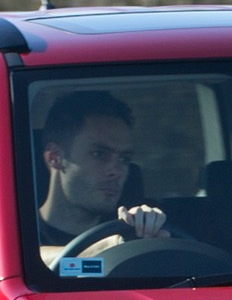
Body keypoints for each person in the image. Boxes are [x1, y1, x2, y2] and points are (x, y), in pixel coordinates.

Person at [35, 90, 169, 267]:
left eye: (124, 159)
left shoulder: (135, 230)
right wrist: (107, 247)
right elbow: (19, 265)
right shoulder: (13, 232)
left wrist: (146, 235)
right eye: (99, 154)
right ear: (55, 157)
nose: (116, 171)